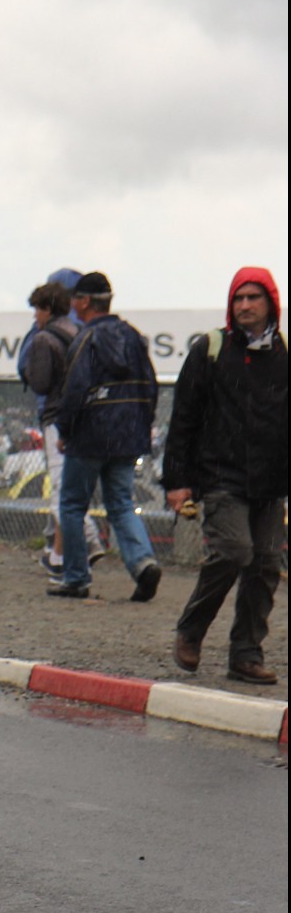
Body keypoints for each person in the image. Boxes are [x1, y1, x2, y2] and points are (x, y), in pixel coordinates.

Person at [162, 268, 287, 684]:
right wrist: (176, 481)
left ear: (271, 303)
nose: (245, 305)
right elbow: (183, 418)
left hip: (271, 481)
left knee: (265, 565)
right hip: (221, 475)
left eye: (253, 297)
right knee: (234, 551)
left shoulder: (284, 353)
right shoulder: (211, 349)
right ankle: (191, 630)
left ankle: (246, 655)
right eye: (238, 298)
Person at [50, 271, 161, 601]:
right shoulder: (133, 337)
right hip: (128, 434)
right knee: (121, 503)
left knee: (72, 505)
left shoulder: (86, 339)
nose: (72, 304)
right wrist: (142, 424)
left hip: (89, 436)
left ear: (85, 302)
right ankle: (142, 563)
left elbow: (74, 390)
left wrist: (65, 430)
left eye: (75, 298)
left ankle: (76, 577)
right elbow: (151, 386)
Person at [23, 280, 105, 574]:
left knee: (61, 486)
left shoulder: (44, 339)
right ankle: (66, 553)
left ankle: (85, 544)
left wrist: (30, 369)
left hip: (57, 417)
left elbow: (41, 383)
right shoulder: (79, 332)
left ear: (47, 308)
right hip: (85, 416)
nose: (35, 316)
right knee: (73, 485)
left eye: (37, 309)